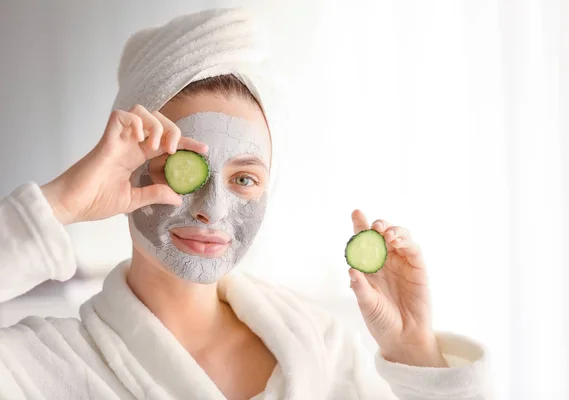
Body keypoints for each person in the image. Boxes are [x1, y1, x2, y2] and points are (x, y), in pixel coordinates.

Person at [0, 8, 490, 400]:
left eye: (244, 178)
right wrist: (60, 202)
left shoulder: (320, 347)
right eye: (183, 170)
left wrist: (413, 350)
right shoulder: (46, 364)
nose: (212, 210)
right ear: (127, 169)